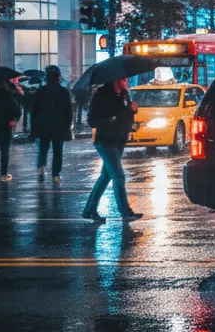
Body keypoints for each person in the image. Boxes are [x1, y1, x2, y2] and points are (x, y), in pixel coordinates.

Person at [82, 79, 141, 222]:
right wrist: (112, 119)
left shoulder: (125, 94)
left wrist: (133, 111)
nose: (126, 81)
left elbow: (126, 116)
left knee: (105, 177)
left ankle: (89, 210)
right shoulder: (101, 96)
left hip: (119, 140)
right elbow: (92, 121)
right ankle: (125, 212)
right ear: (115, 80)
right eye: (123, 79)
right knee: (119, 176)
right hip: (105, 141)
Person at [31, 65, 73, 185]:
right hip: (59, 126)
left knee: (43, 149)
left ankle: (42, 166)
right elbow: (69, 111)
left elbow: (34, 111)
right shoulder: (64, 92)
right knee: (58, 151)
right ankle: (55, 174)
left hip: (43, 125)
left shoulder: (41, 91)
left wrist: (33, 129)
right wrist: (68, 127)